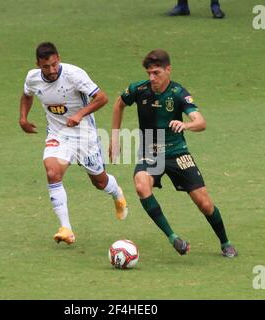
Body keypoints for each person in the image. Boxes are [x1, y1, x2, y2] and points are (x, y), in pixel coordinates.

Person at [109, 49, 237, 258]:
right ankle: (173, 237)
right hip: (151, 151)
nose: (152, 78)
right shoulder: (138, 89)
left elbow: (200, 122)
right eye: (149, 73)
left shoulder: (178, 93)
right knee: (141, 185)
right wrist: (115, 137)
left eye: (156, 73)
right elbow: (119, 104)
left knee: (204, 202)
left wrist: (185, 125)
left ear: (168, 70)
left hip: (177, 152)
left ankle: (226, 242)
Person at [19, 42, 128, 245]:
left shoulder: (74, 75)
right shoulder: (32, 78)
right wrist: (23, 118)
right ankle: (66, 228)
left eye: (54, 64)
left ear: (58, 58)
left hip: (83, 134)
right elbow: (27, 95)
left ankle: (117, 193)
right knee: (52, 173)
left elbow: (102, 98)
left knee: (99, 182)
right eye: (46, 67)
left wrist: (79, 114)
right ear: (38, 64)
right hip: (57, 133)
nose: (51, 70)